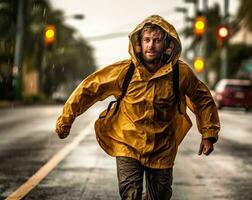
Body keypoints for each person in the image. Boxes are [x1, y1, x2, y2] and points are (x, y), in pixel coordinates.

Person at [55, 15, 220, 200]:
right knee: (131, 195)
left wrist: (209, 134)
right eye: (147, 40)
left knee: (160, 197)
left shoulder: (180, 73)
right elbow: (89, 89)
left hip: (162, 148)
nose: (151, 45)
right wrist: (66, 120)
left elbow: (202, 99)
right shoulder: (125, 71)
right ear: (139, 44)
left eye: (157, 40)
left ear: (167, 45)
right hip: (128, 144)